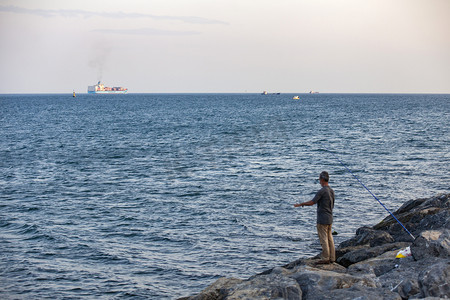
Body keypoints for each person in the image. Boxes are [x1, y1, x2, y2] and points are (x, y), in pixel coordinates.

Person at [294, 171, 335, 264]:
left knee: (323, 238)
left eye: (319, 180)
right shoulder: (331, 190)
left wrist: (301, 204)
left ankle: (325, 258)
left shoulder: (322, 191)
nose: (319, 182)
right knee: (330, 237)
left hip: (322, 218)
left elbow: (312, 202)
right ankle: (332, 257)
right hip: (330, 217)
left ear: (322, 179)